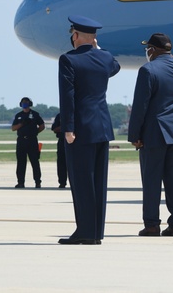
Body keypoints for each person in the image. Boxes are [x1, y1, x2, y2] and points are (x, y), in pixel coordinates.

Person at [127, 33, 173, 237]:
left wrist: (135, 135)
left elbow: (140, 106)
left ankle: (152, 224)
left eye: (147, 49)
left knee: (151, 181)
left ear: (152, 50)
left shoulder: (148, 70)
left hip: (154, 133)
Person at [57, 16, 120, 245]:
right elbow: (115, 67)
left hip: (81, 128)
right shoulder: (105, 58)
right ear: (93, 37)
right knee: (99, 183)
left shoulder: (68, 60)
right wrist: (98, 48)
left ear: (75, 35)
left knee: (82, 181)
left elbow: (68, 96)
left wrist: (68, 127)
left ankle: (85, 231)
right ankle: (96, 232)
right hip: (102, 127)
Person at [11, 97, 45, 188]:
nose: (24, 104)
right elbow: (13, 128)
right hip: (21, 140)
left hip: (32, 140)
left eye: (26, 103)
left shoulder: (35, 114)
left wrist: (35, 132)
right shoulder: (18, 115)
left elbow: (42, 126)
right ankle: (21, 182)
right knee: (21, 162)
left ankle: (38, 182)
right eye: (23, 103)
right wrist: (21, 124)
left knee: (34, 161)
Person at [51, 115, 67, 188]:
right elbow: (54, 129)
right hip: (62, 140)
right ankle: (62, 182)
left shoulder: (78, 113)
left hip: (75, 142)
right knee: (61, 162)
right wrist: (65, 127)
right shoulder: (59, 116)